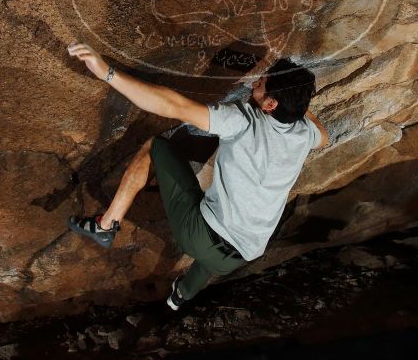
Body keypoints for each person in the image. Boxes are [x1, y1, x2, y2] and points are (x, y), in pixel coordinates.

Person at [66, 42, 329, 310]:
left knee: (155, 146)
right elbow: (324, 135)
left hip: (200, 236)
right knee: (216, 248)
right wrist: (296, 101)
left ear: (271, 104)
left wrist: (107, 72)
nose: (253, 85)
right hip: (239, 257)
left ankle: (106, 225)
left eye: (260, 84)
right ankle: (180, 296)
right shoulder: (305, 135)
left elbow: (174, 105)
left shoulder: (244, 121)